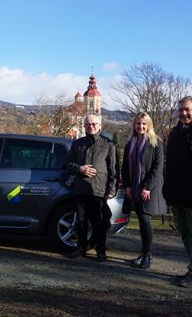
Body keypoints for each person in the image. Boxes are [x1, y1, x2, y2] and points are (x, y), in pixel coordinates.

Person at [66, 114, 116, 262]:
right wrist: (80, 169)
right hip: (80, 189)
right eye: (88, 124)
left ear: (99, 125)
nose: (91, 126)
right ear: (84, 126)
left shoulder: (108, 144)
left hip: (98, 190)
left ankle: (101, 251)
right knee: (81, 221)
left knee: (99, 222)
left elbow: (113, 169)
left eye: (94, 124)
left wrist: (111, 190)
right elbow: (68, 164)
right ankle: (80, 249)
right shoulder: (77, 144)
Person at [122, 112, 165, 269]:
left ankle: (148, 255)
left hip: (149, 189)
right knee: (141, 220)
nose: (140, 126)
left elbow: (158, 168)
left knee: (146, 220)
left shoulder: (156, 143)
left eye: (144, 124)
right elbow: (125, 168)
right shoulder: (130, 143)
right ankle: (143, 252)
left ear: (149, 125)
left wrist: (147, 187)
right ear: (134, 125)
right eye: (138, 123)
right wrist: (127, 185)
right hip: (133, 188)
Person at [163, 96, 192, 287]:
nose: (183, 113)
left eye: (187, 109)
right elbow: (170, 164)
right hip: (177, 193)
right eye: (181, 109)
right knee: (185, 234)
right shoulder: (174, 134)